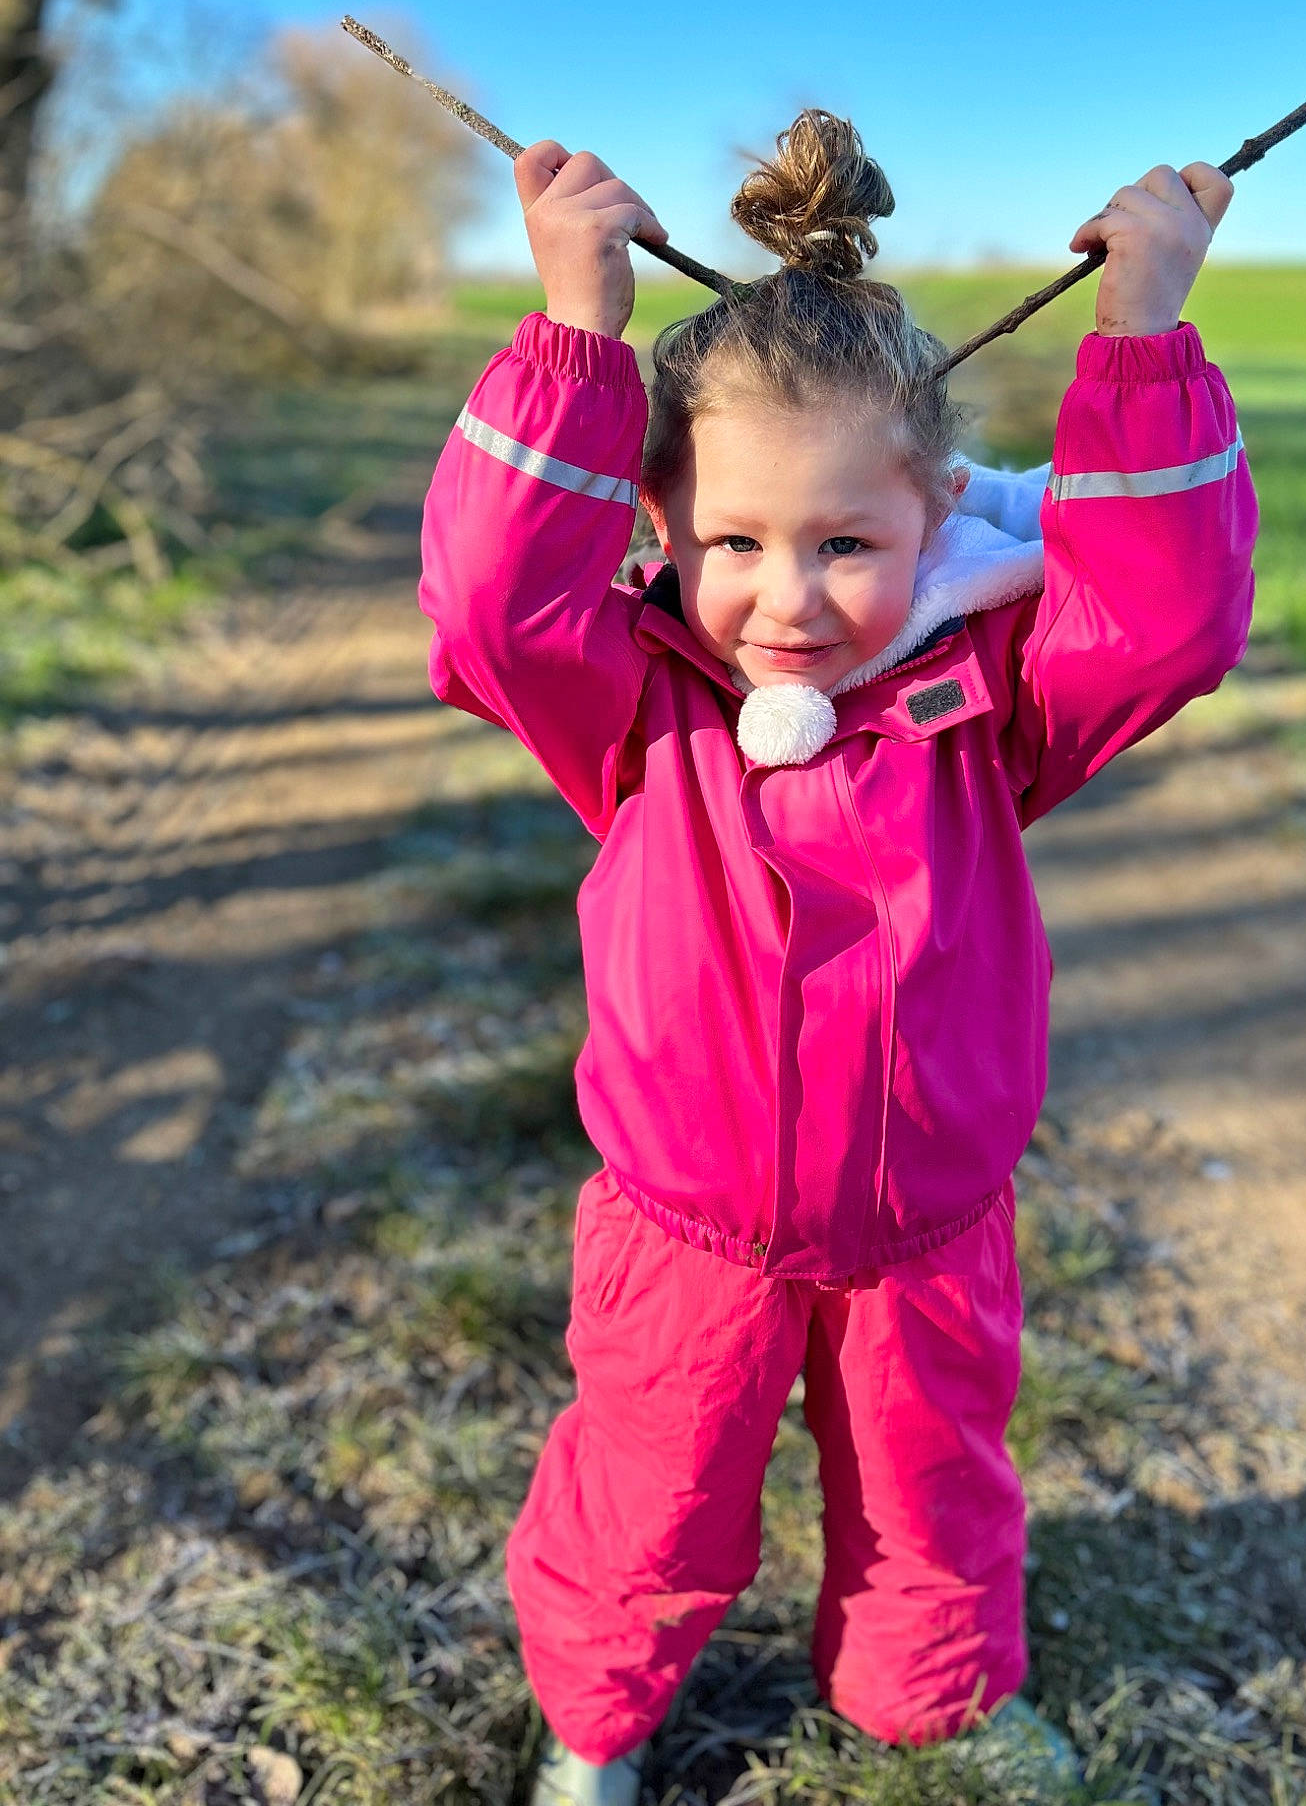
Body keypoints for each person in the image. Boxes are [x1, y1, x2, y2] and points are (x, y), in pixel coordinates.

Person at [418, 110, 1257, 1806]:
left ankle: (930, 1703)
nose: (788, 600)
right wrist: (575, 336)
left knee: (934, 1496)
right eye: (734, 543)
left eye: (845, 544)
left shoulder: (991, 708)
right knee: (648, 1501)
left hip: (928, 1234)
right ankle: (597, 1724)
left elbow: (1165, 625)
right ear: (659, 520)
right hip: (684, 1234)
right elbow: (493, 609)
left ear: (937, 515)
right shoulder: (634, 705)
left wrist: (1144, 342)